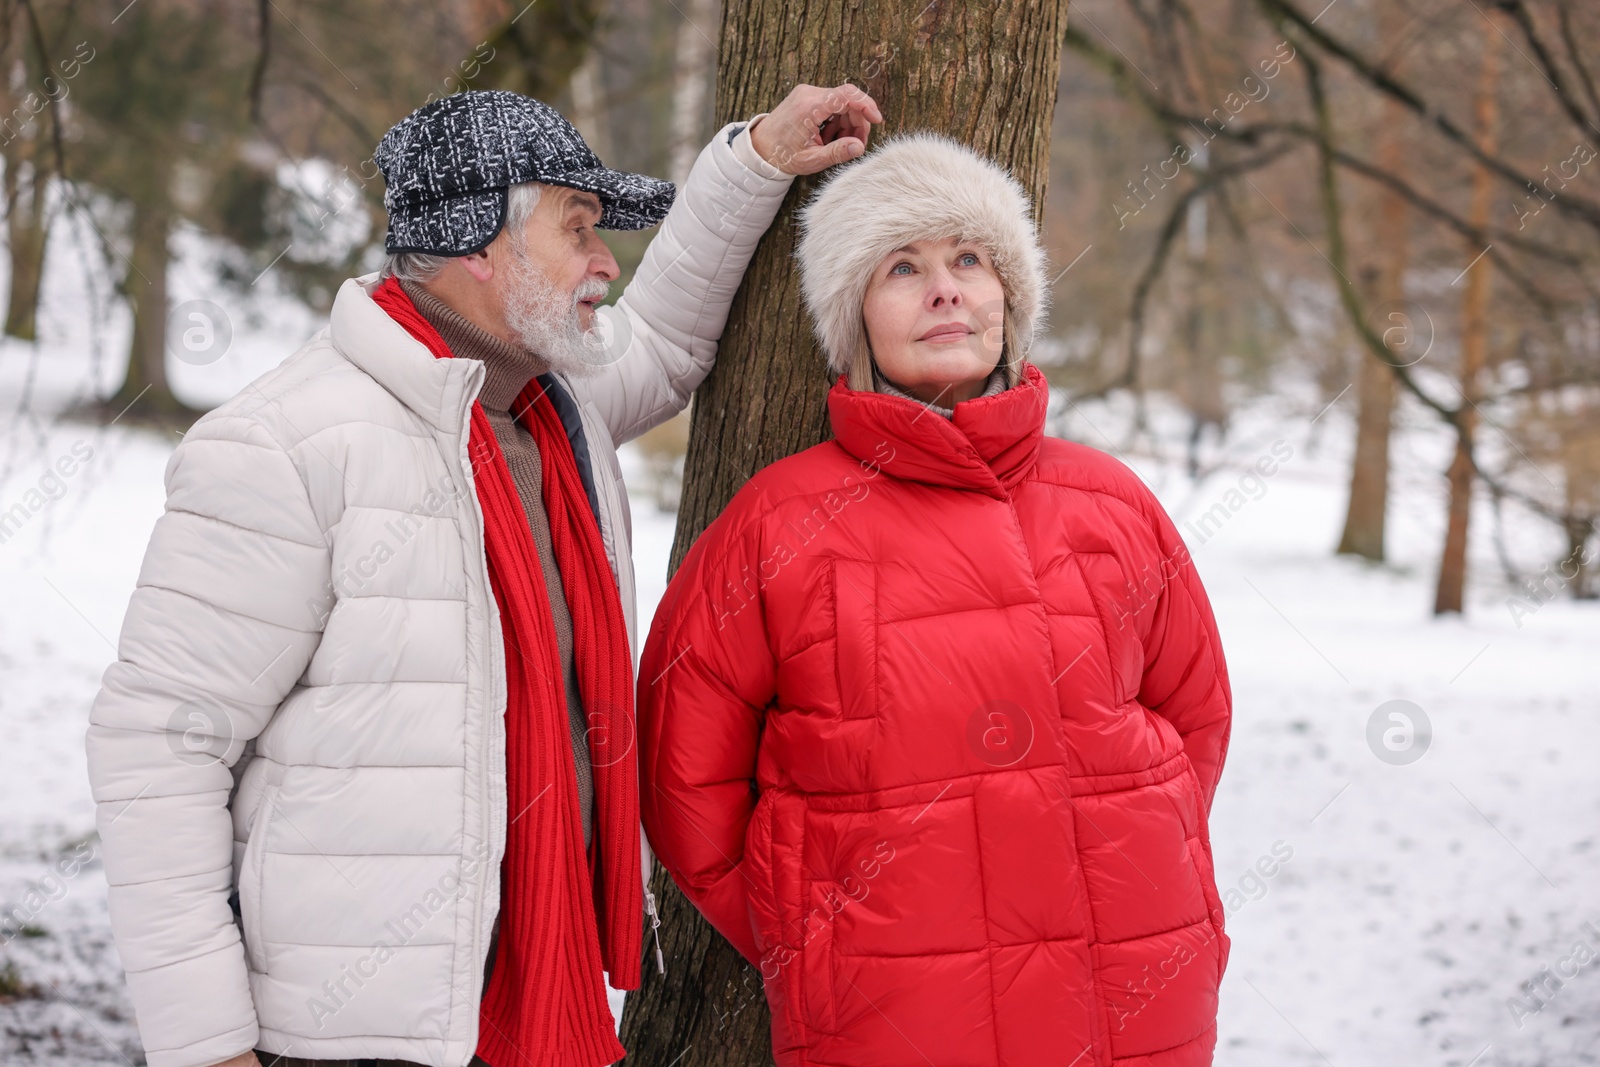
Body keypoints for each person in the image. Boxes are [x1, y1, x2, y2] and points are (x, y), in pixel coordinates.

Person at [85, 84, 880, 1067]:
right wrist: (205, 1044)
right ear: (476, 245)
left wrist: (756, 158)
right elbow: (157, 749)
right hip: (352, 1032)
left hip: (543, 1003)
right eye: (578, 228)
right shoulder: (287, 442)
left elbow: (667, 338)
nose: (605, 263)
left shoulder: (558, 412)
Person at [636, 132, 1233, 1066]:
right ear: (854, 318)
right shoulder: (778, 522)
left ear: (1009, 298)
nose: (946, 288)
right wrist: (816, 930)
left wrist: (1143, 848)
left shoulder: (1111, 503)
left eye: (968, 259)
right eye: (902, 268)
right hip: (891, 1010)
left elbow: (1195, 721)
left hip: (1133, 988)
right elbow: (686, 780)